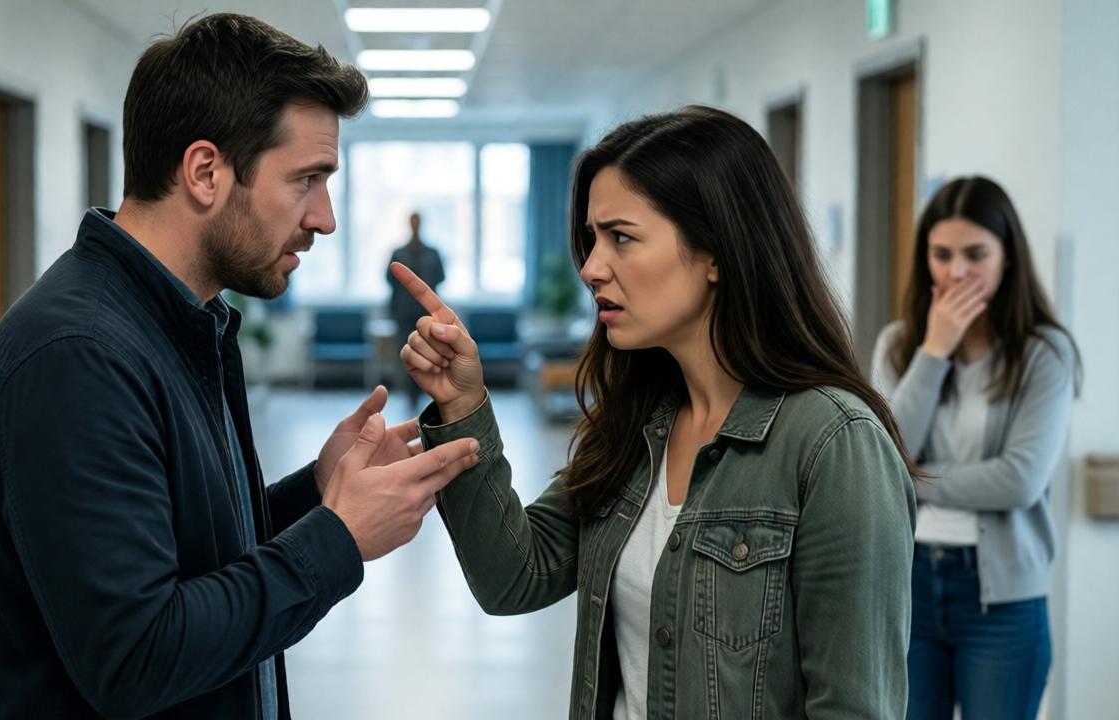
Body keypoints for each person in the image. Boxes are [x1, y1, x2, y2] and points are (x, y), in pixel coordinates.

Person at [0, 14, 478, 719]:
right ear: (206, 172)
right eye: (307, 180)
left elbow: (192, 558)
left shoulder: (181, 323)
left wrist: (317, 492)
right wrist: (338, 538)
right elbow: (137, 655)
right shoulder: (78, 358)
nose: (324, 218)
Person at [391, 105, 918, 719]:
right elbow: (516, 575)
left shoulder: (834, 444)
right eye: (591, 239)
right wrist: (463, 404)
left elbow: (855, 707)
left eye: (622, 237)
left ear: (717, 249)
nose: (590, 268)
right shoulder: (638, 427)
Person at [871, 176, 1080, 720]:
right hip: (909, 585)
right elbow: (881, 459)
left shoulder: (1044, 352)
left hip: (1003, 601)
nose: (956, 271)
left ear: (1008, 258)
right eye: (941, 254)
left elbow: (1019, 481)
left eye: (975, 254)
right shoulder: (899, 346)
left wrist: (913, 475)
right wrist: (934, 350)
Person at [386, 212, 446, 410]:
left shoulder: (433, 253)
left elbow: (441, 277)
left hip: (426, 313)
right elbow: (389, 280)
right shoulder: (398, 253)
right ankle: (409, 393)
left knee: (426, 354)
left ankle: (423, 391)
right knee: (405, 353)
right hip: (402, 313)